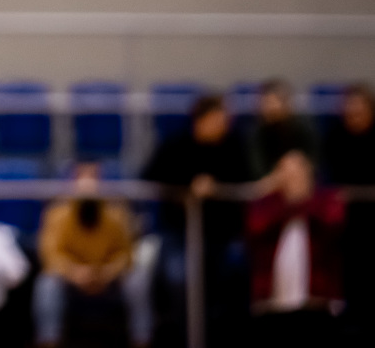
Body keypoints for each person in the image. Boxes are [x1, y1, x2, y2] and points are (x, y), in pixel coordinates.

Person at [141, 94, 253, 347]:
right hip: (179, 231)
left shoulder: (234, 145)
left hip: (223, 233)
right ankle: (187, 338)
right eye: (220, 119)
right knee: (178, 277)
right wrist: (187, 190)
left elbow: (245, 181)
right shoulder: (175, 144)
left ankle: (226, 337)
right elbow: (149, 177)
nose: (225, 124)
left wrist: (217, 188)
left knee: (236, 271)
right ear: (202, 120)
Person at [34, 161, 149, 348]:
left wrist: (107, 272)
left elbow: (126, 254)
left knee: (138, 280)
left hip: (109, 280)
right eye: (82, 177)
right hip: (70, 281)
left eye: (93, 176)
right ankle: (49, 341)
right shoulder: (57, 213)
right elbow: (50, 255)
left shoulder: (117, 212)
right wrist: (75, 273)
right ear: (73, 181)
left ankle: (142, 340)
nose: (88, 183)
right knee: (46, 285)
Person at [246, 150, 343, 346]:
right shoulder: (267, 204)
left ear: (309, 172)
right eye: (286, 173)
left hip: (317, 301)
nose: (292, 178)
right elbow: (255, 227)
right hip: (272, 303)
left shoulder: (325, 198)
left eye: (298, 171)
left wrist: (300, 200)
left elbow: (333, 224)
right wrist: (285, 200)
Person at [323, 83, 375, 342]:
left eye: (359, 110)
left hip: (371, 218)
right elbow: (327, 177)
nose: (354, 115)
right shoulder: (335, 137)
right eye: (350, 110)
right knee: (347, 269)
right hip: (344, 219)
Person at [248, 79, 316, 179]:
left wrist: (292, 165)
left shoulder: (302, 127)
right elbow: (258, 171)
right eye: (266, 103)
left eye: (273, 102)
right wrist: (281, 171)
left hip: (299, 176)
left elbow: (313, 162)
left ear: (286, 104)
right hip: (269, 181)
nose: (270, 108)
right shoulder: (256, 132)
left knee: (293, 163)